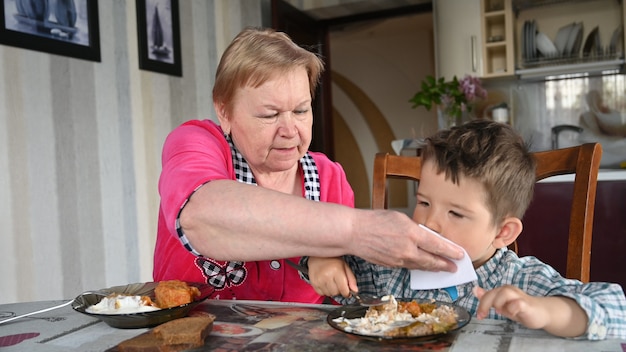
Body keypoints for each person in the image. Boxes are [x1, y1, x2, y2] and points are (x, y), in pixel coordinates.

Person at [152, 27, 464, 304]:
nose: (291, 131)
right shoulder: (197, 142)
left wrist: (331, 262)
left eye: (301, 111)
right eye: (269, 115)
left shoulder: (330, 178)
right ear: (224, 111)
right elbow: (201, 216)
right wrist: (357, 229)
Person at [304, 120, 626, 339]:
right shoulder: (390, 268)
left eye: (456, 213)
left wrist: (547, 312)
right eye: (424, 202)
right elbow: (332, 269)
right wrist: (323, 260)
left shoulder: (520, 281)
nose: (429, 223)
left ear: (503, 232)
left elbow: (617, 310)